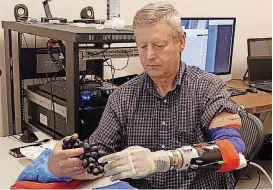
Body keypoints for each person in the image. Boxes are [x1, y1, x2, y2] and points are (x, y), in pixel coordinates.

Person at [48, 2, 247, 189]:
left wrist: (162, 160)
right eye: (142, 46)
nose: (149, 55)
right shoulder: (123, 97)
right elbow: (99, 159)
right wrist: (62, 166)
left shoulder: (208, 88)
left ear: (181, 41)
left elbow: (232, 150)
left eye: (158, 46)